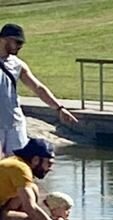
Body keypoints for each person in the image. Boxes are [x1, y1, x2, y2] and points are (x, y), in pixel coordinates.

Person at [0, 23, 78, 157]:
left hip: (14, 123)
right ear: (4, 39)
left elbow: (37, 87)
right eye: (17, 42)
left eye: (22, 43)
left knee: (18, 164)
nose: (20, 46)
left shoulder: (17, 64)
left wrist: (59, 108)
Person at [0, 137, 72, 220]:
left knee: (31, 189)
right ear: (35, 160)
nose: (50, 168)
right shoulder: (21, 169)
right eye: (49, 163)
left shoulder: (15, 163)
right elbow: (30, 208)